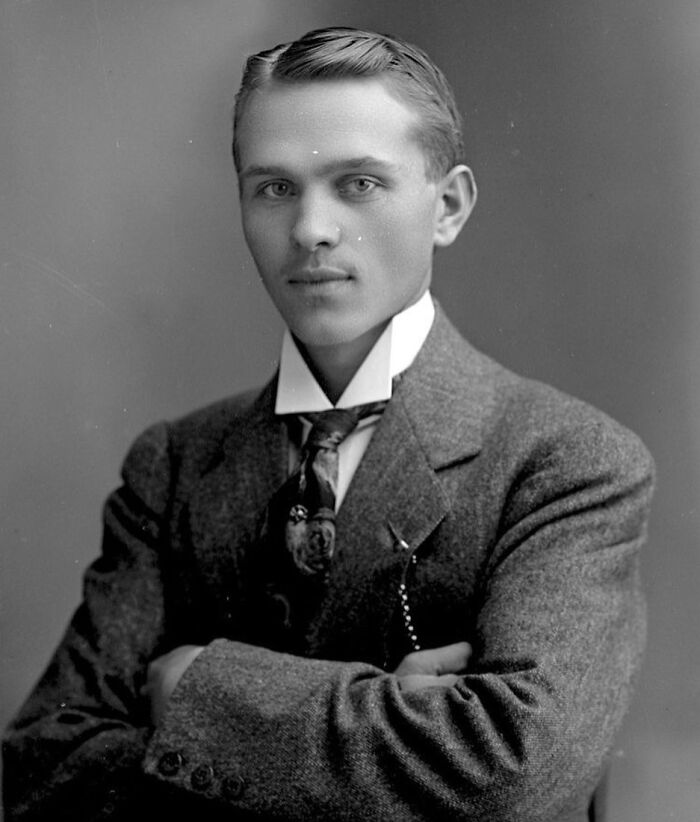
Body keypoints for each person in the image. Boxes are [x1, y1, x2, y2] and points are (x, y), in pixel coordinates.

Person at [3, 26, 654, 822]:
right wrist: (392, 720)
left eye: (358, 184)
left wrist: (198, 692)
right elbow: (41, 767)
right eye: (273, 188)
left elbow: (514, 773)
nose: (311, 229)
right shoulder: (177, 464)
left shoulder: (564, 461)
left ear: (447, 206)